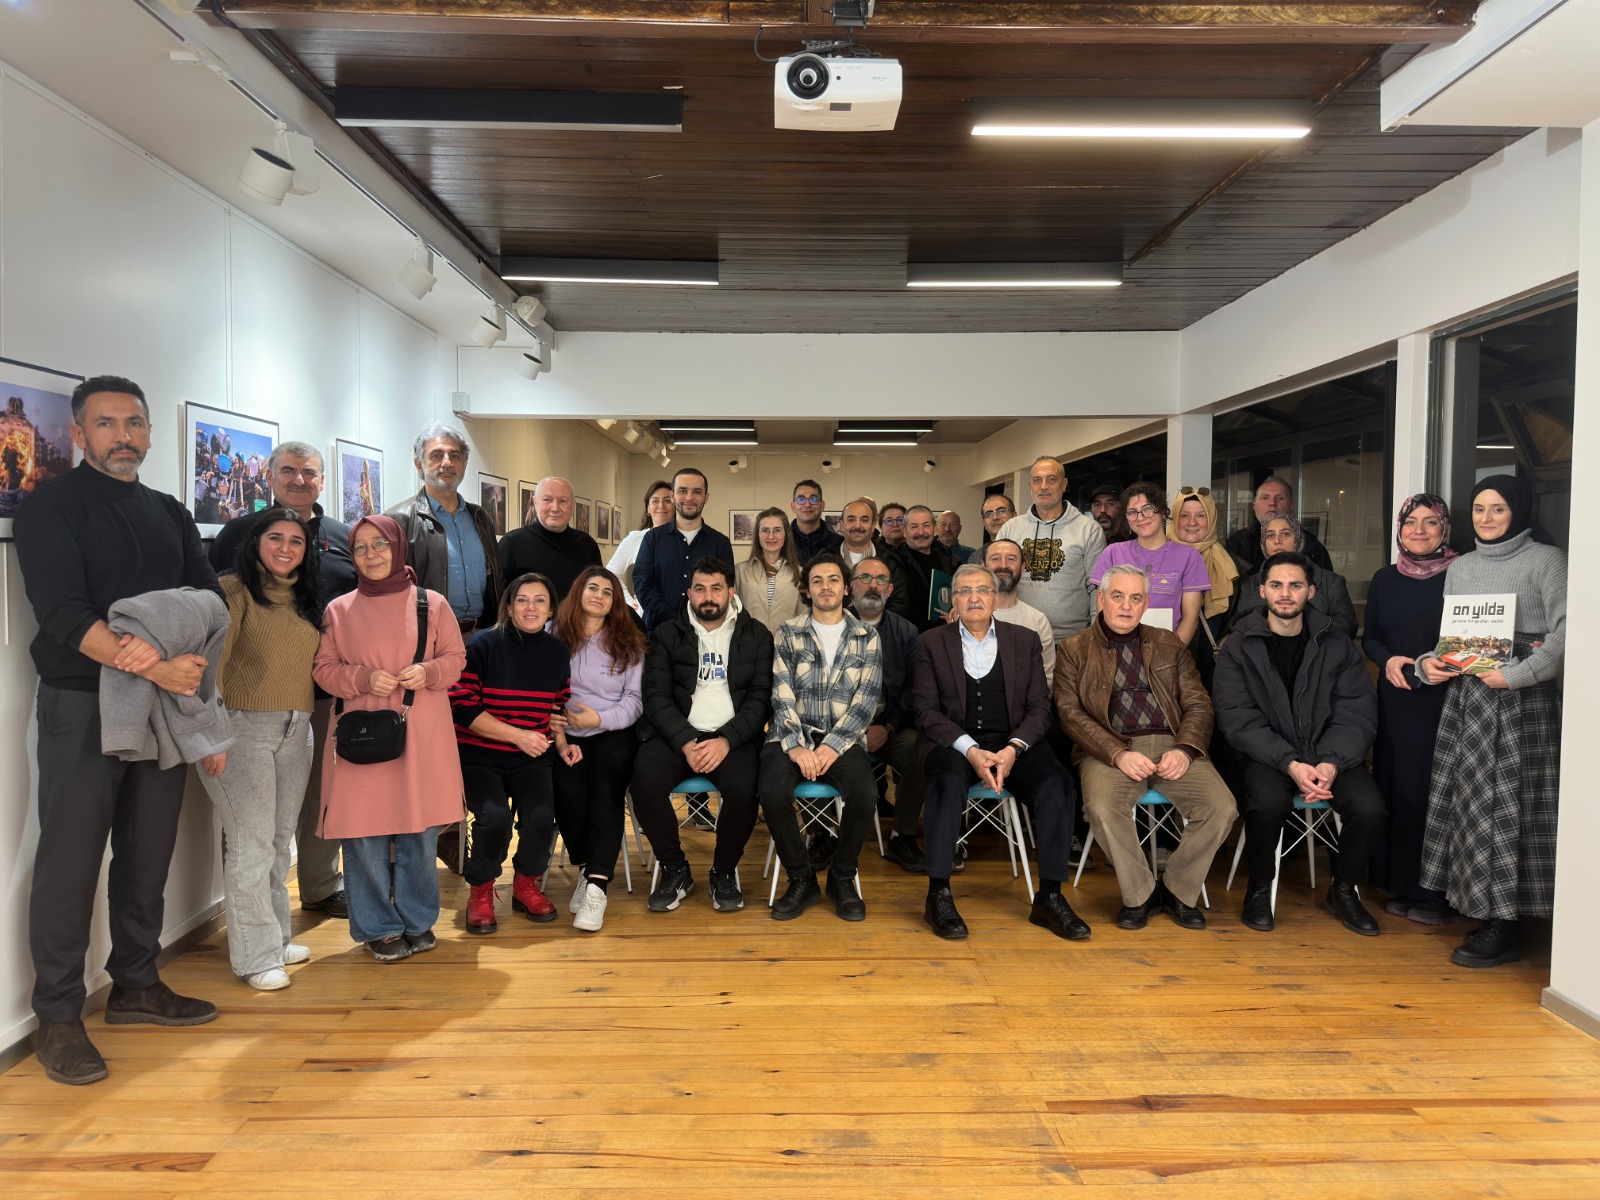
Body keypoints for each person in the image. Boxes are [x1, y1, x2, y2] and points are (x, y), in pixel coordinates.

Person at [15, 376, 223, 1086]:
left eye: (135, 422)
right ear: (79, 433)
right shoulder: (52, 507)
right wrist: (161, 664)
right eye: (107, 424)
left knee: (147, 852)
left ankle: (136, 984)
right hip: (82, 704)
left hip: (162, 706)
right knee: (71, 860)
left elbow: (205, 599)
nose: (124, 435)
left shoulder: (167, 510)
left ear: (150, 433)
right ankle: (59, 1017)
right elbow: (66, 616)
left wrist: (176, 674)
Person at [1416, 475, 1566, 969]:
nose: (1486, 518)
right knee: (1472, 802)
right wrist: (1427, 665)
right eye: (1479, 509)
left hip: (1523, 703)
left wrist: (1519, 675)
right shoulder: (1462, 568)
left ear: (1517, 511)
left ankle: (1507, 921)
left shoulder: (1548, 561)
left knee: (1511, 806)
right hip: (1468, 702)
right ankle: (1477, 904)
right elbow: (1452, 639)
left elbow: (1571, 632)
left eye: (1497, 509)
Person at [210, 440, 355, 919]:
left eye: (309, 472)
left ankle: (317, 886)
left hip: (321, 691)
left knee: (315, 795)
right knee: (252, 821)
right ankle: (252, 923)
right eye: (288, 470)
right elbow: (219, 613)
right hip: (253, 694)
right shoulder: (240, 531)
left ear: (321, 480)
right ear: (269, 476)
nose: (299, 480)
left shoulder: (342, 535)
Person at [314, 515, 466, 961]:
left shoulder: (432, 604)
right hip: (361, 741)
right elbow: (323, 671)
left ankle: (419, 921)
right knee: (363, 834)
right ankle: (378, 927)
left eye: (379, 544)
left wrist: (429, 671)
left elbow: (456, 658)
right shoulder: (338, 610)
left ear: (398, 548)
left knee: (419, 830)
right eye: (360, 548)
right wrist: (362, 678)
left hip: (422, 737)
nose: (371, 555)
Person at [1054, 564, 1236, 931]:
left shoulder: (1169, 643)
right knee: (1103, 808)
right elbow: (1069, 714)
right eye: (1117, 596)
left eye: (1135, 598)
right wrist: (1118, 753)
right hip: (1109, 750)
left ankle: (1178, 890)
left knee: (1222, 808)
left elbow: (1199, 704)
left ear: (1146, 603)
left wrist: (1185, 749)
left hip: (1173, 743)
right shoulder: (1074, 649)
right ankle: (1140, 895)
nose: (1125, 606)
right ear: (1101, 599)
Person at [912, 563, 1088, 942]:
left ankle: (1050, 897)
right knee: (943, 781)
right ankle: (938, 894)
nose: (974, 597)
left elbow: (1041, 708)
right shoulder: (930, 642)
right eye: (964, 591)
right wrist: (971, 750)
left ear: (995, 597)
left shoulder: (1023, 640)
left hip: (1014, 741)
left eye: (982, 590)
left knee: (1058, 783)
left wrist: (1012, 749)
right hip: (953, 743)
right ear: (953, 600)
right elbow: (926, 711)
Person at [1213, 551, 1385, 937]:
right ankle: (1259, 886)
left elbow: (1355, 711)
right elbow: (1237, 718)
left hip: (1329, 754)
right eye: (1276, 585)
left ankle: (1343, 890)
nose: (1285, 594)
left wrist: (1330, 763)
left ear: (1311, 591)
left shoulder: (1336, 645)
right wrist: (1290, 762)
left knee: (1371, 808)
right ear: (1262, 592)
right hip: (1266, 755)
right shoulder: (1238, 647)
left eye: (1294, 585)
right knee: (1266, 803)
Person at [198, 508, 324, 990]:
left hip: (298, 730)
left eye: (297, 541)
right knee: (249, 846)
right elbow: (211, 671)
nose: (287, 548)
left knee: (276, 843)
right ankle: (254, 958)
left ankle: (273, 937)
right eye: (276, 538)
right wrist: (212, 736)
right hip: (240, 729)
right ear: (255, 543)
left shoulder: (306, 597)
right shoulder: (232, 592)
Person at [630, 556, 774, 912]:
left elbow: (760, 700)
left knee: (744, 788)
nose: (707, 597)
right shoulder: (665, 634)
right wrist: (685, 741)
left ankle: (723, 872)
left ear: (730, 591)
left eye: (715, 588)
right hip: (676, 736)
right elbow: (656, 696)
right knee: (644, 782)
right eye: (699, 589)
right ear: (688, 592)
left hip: (733, 738)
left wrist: (726, 739)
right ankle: (675, 868)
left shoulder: (757, 635)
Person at [759, 554, 883, 921]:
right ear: (807, 589)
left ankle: (842, 877)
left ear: (847, 589)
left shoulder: (867, 636)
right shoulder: (787, 632)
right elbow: (779, 694)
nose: (825, 587)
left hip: (843, 739)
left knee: (865, 793)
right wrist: (797, 746)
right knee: (771, 790)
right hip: (790, 735)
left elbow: (866, 702)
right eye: (817, 581)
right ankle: (801, 878)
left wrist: (830, 746)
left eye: (833, 580)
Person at [449, 572, 572, 933]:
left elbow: (556, 707)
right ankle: (482, 889)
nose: (530, 607)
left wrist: (562, 744)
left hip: (531, 757)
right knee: (494, 817)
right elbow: (461, 705)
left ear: (551, 610)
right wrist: (518, 736)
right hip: (479, 755)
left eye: (539, 600)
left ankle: (525, 885)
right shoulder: (483, 646)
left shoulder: (557, 652)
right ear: (509, 605)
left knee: (540, 818)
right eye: (522, 600)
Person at [1363, 494, 1458, 926]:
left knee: (1431, 792)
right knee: (1395, 788)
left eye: (1430, 522)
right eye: (1410, 522)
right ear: (1399, 529)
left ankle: (1434, 892)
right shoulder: (1385, 578)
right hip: (1397, 696)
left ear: (1445, 529)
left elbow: (1472, 636)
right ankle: (1399, 884)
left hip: (1443, 697)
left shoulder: (1462, 574)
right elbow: (1372, 638)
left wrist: (1440, 665)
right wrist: (1389, 660)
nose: (1419, 531)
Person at [550, 567, 646, 932]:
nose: (599, 596)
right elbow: (542, 691)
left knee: (605, 793)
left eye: (608, 592)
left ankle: (597, 887)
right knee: (566, 791)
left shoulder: (629, 643)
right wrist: (558, 728)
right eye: (593, 588)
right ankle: (586, 868)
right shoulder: (553, 636)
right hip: (565, 733)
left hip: (613, 730)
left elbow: (635, 701)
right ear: (579, 592)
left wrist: (600, 720)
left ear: (615, 603)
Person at [387, 422, 502, 637]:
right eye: (437, 455)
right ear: (419, 465)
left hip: (484, 635)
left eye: (455, 456)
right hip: (429, 638)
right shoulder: (398, 521)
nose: (447, 463)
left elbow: (496, 579)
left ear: (464, 464)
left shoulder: (480, 518)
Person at [849, 557, 924, 871]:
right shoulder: (830, 626)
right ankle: (821, 834)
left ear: (890, 590)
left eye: (880, 579)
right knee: (814, 751)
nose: (872, 584)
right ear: (850, 587)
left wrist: (889, 727)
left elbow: (914, 688)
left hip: (889, 724)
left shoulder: (906, 632)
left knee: (923, 752)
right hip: (840, 727)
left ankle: (902, 836)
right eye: (864, 577)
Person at [998, 456, 1106, 642]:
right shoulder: (1011, 528)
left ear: (1064, 485)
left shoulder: (1088, 529)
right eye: (1038, 480)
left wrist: (1098, 634)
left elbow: (1097, 587)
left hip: (1071, 640)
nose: (1044, 486)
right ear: (1030, 486)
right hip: (1017, 635)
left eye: (1051, 479)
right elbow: (994, 579)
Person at [1089, 483, 1208, 645]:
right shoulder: (1112, 553)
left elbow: (1190, 618)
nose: (1140, 517)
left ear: (1162, 512)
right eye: (1132, 512)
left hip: (1168, 651)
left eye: (1147, 509)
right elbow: (1103, 613)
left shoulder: (1189, 556)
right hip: (1118, 651)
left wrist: (1169, 657)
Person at [633, 467, 734, 631]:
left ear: (706, 497)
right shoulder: (652, 539)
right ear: (672, 496)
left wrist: (696, 623)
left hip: (706, 635)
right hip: (659, 634)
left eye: (696, 492)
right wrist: (674, 621)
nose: (689, 497)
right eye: (683, 491)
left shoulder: (720, 543)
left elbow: (724, 590)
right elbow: (643, 586)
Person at [1229, 512, 1358, 639]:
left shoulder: (1330, 581)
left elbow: (1347, 626)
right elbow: (1238, 625)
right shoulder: (1250, 584)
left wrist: (1303, 631)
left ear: (1298, 538)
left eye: (1285, 534)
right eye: (1270, 535)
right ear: (1264, 544)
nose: (1277, 541)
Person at [1169, 485, 1243, 686]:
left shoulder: (1235, 568)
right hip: (1163, 670)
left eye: (1201, 515)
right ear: (1174, 519)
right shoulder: (1156, 560)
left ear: (1211, 520)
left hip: (1211, 677)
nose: (1192, 523)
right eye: (1184, 515)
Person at [498, 476, 603, 604]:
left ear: (573, 506)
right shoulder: (512, 543)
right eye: (547, 500)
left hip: (576, 623)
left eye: (563, 501)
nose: (555, 508)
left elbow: (598, 590)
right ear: (535, 502)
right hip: (528, 622)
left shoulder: (587, 545)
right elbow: (499, 597)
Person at [1224, 475, 1334, 574]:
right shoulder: (1238, 542)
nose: (1272, 503)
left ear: (1292, 506)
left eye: (1280, 498)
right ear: (1254, 506)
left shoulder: (1311, 545)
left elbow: (1325, 588)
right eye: (1265, 498)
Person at [983, 538, 1054, 682]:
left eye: (1011, 559)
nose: (1003, 565)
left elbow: (1046, 679)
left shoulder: (1038, 621)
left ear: (1022, 567)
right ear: (983, 566)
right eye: (995, 559)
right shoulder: (968, 615)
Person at [607, 479, 674, 616]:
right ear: (648, 508)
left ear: (676, 506)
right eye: (655, 501)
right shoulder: (635, 539)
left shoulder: (684, 539)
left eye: (667, 500)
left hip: (679, 614)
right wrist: (629, 602)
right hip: (647, 618)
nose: (661, 505)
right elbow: (611, 574)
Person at [735, 507, 806, 634]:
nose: (771, 536)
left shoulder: (800, 574)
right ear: (757, 535)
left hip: (787, 646)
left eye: (777, 530)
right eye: (765, 530)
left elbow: (804, 616)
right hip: (750, 647)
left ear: (786, 534)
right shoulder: (739, 572)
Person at [887, 505, 957, 632]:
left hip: (944, 634)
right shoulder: (892, 562)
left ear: (934, 528)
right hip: (909, 638)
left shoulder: (948, 558)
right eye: (914, 526)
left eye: (926, 525)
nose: (921, 532)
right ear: (904, 531)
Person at [789, 478, 843, 563]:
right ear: (793, 507)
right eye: (801, 499)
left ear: (822, 506)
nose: (807, 504)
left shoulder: (837, 543)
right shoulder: (783, 541)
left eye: (813, 499)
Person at [838, 497, 879, 570]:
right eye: (851, 520)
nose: (857, 526)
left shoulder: (890, 561)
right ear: (842, 525)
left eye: (864, 520)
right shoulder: (825, 559)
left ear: (873, 526)